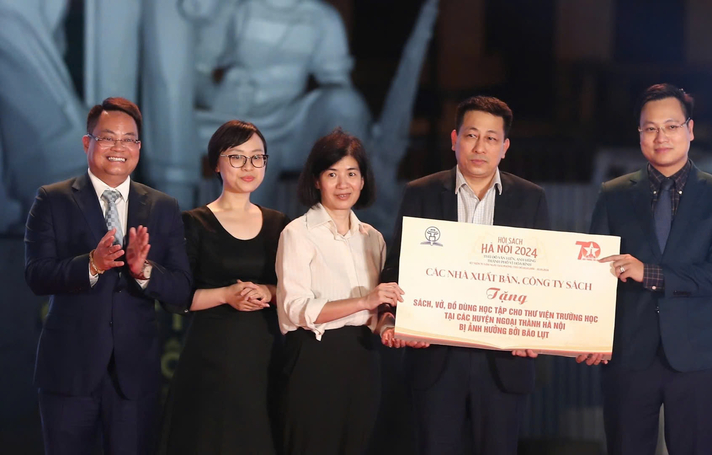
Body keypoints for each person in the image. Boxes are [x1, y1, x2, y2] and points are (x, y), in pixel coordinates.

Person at [378, 96, 550, 455]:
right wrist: (394, 319)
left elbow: (543, 278)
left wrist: (538, 330)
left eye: (490, 138)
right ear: (455, 139)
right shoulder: (420, 192)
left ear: (504, 148)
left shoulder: (532, 199)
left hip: (504, 361)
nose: (479, 146)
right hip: (435, 358)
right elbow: (397, 266)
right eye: (471, 135)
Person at [577, 83, 712, 455]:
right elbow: (592, 275)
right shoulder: (614, 193)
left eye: (671, 126)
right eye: (650, 128)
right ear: (639, 135)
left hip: (697, 358)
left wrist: (648, 273)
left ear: (690, 129)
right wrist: (588, 335)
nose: (661, 136)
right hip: (627, 356)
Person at [24, 97, 193, 454]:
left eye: (128, 139)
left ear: (139, 148)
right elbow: (37, 276)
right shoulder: (51, 200)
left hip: (134, 376)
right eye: (108, 138)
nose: (119, 147)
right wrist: (92, 264)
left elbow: (181, 290)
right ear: (88, 143)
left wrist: (143, 270)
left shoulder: (163, 206)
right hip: (69, 373)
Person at [158, 120, 290, 454]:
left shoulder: (280, 224)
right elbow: (177, 297)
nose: (249, 166)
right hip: (211, 357)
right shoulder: (194, 222)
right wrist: (225, 295)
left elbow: (297, 290)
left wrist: (269, 292)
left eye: (257, 157)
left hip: (266, 354)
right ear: (216, 162)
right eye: (237, 157)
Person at [275, 128, 403, 455]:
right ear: (316, 180)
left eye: (351, 174)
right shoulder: (298, 233)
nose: (343, 184)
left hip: (364, 359)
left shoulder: (372, 238)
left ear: (363, 181)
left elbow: (376, 313)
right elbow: (295, 309)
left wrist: (388, 327)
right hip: (314, 357)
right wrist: (364, 300)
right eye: (332, 174)